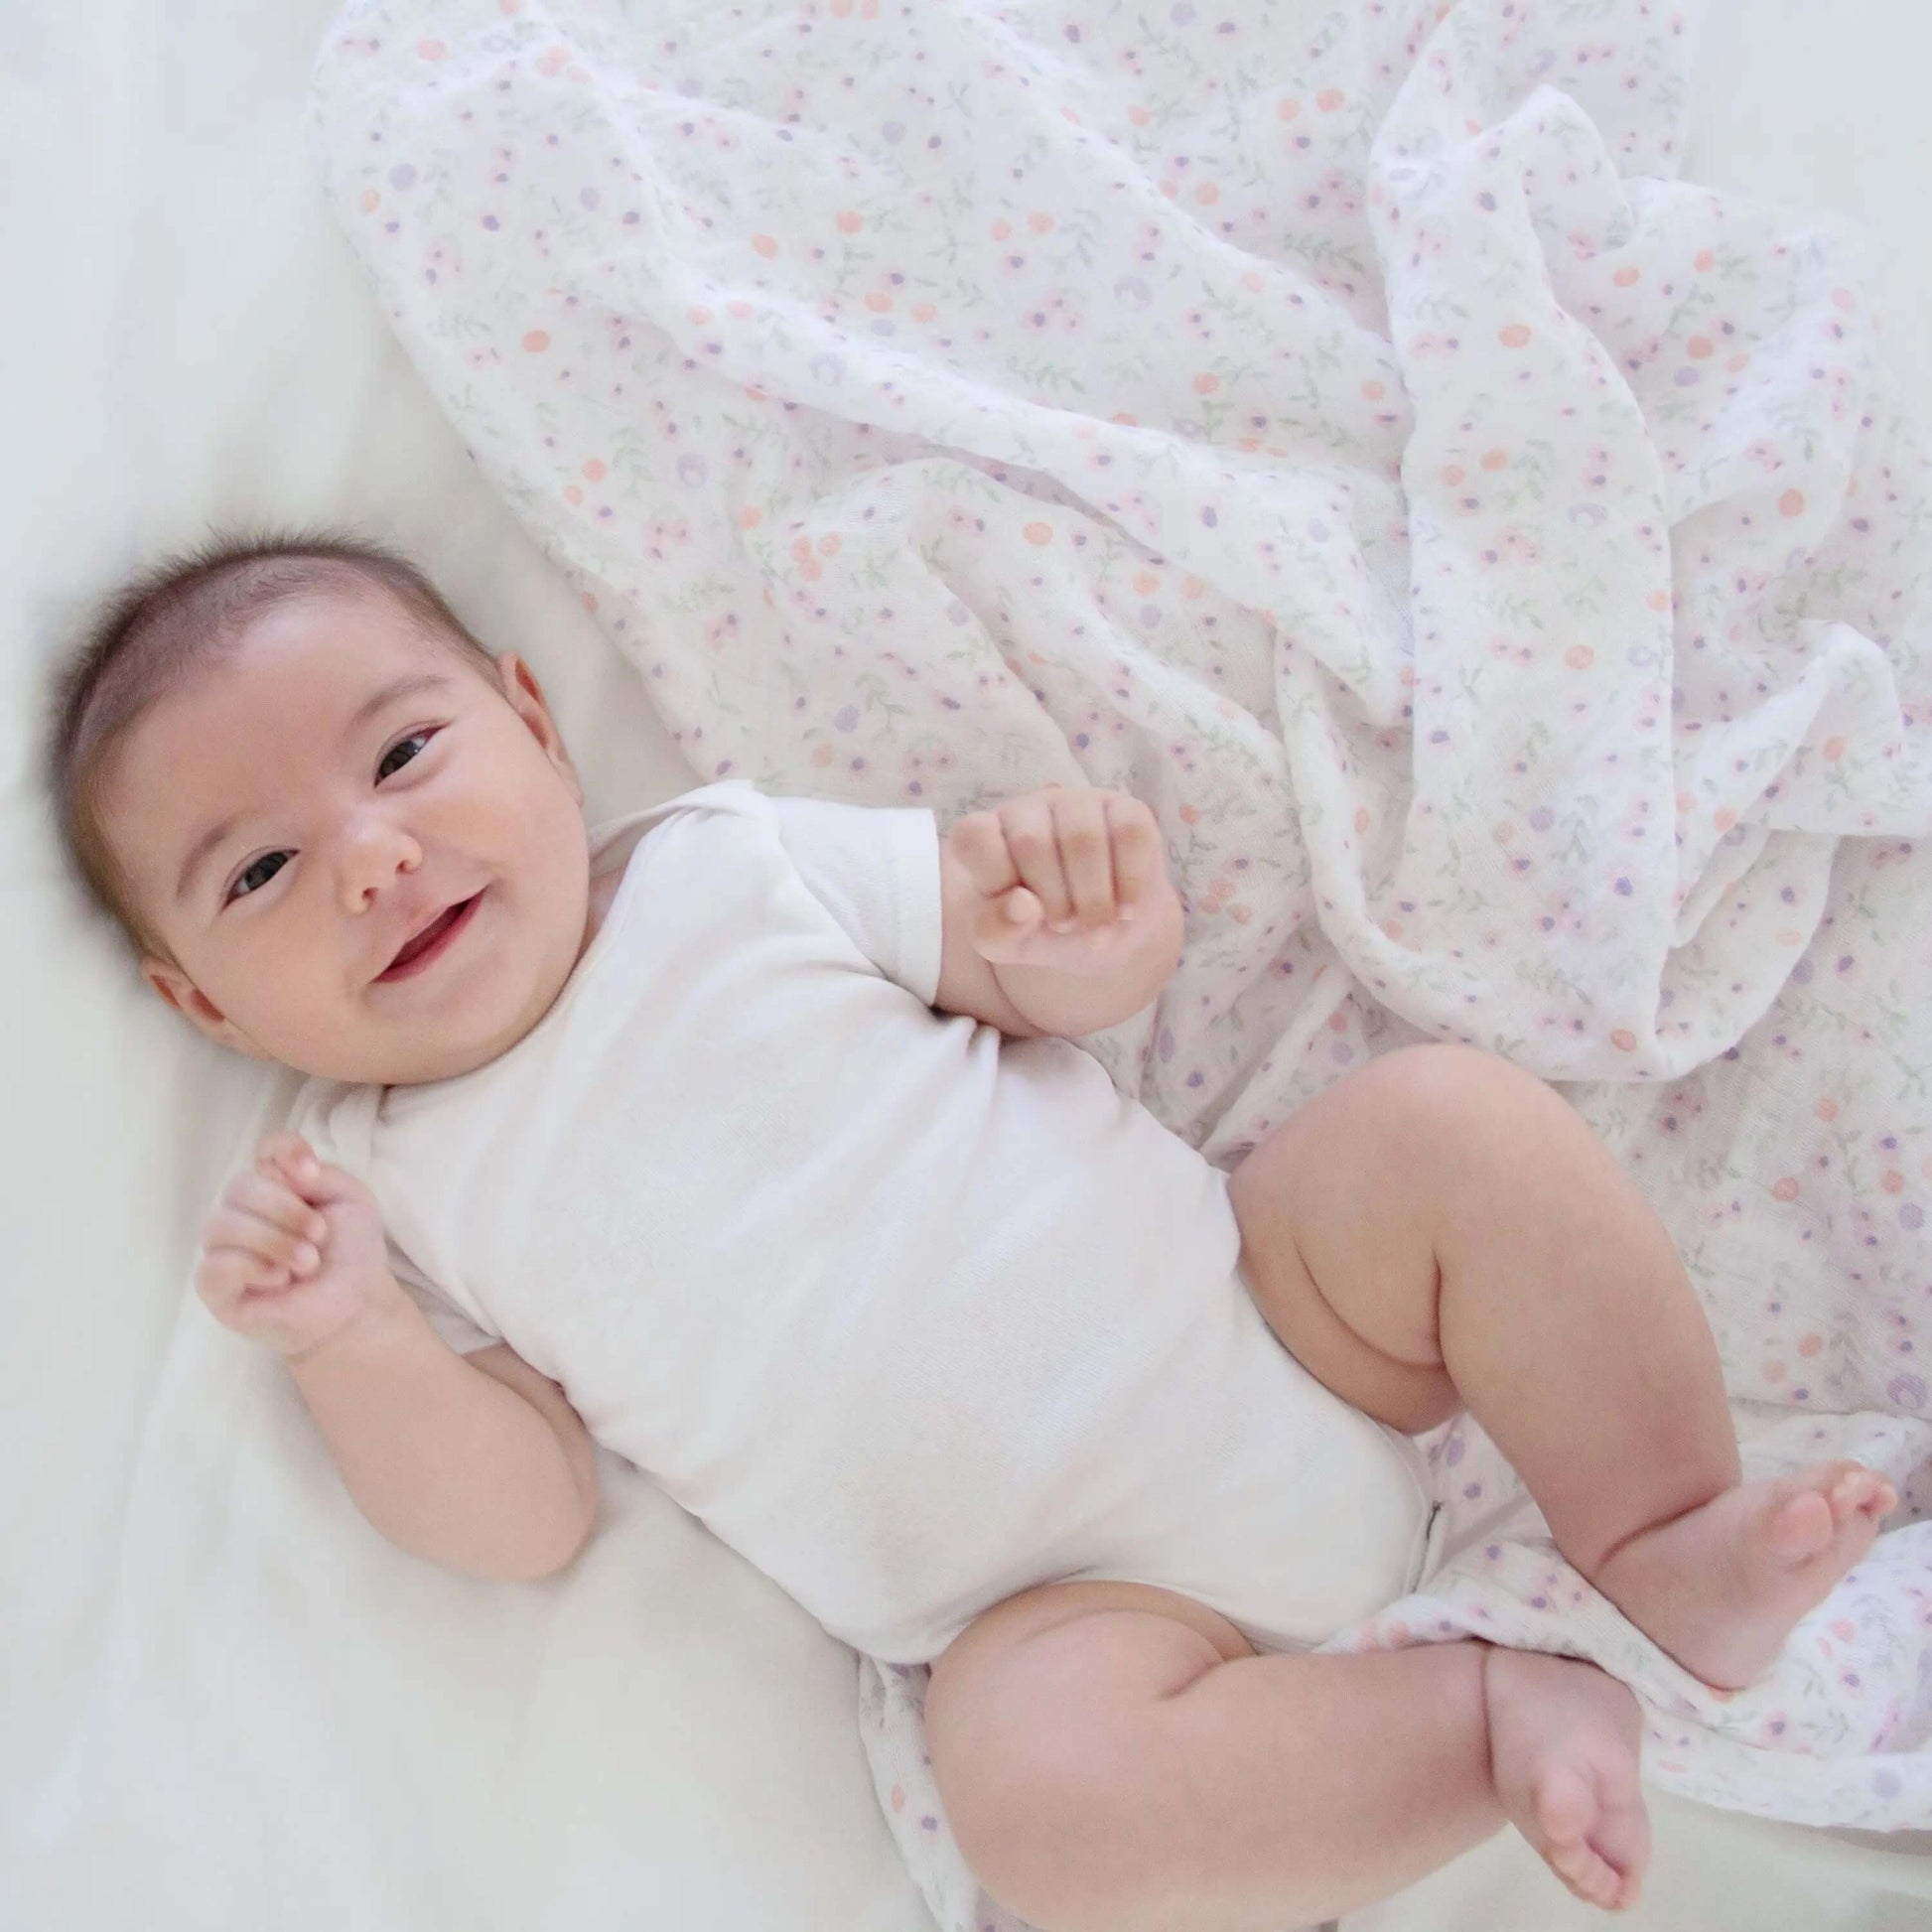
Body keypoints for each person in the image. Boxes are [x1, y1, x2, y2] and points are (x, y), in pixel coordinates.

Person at [47, 532, 1895, 1928]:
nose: (372, 855)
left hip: (1276, 1313)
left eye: (404, 754)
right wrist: (359, 1345)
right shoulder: (398, 1197)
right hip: (1063, 1613)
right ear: (200, 1003)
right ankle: (1489, 1710)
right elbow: (517, 1517)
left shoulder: (727, 863)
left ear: (532, 720)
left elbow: (1028, 973)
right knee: (1037, 1816)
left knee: (1449, 1128)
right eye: (265, 872)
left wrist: (1091, 929)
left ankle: (1657, 1530)